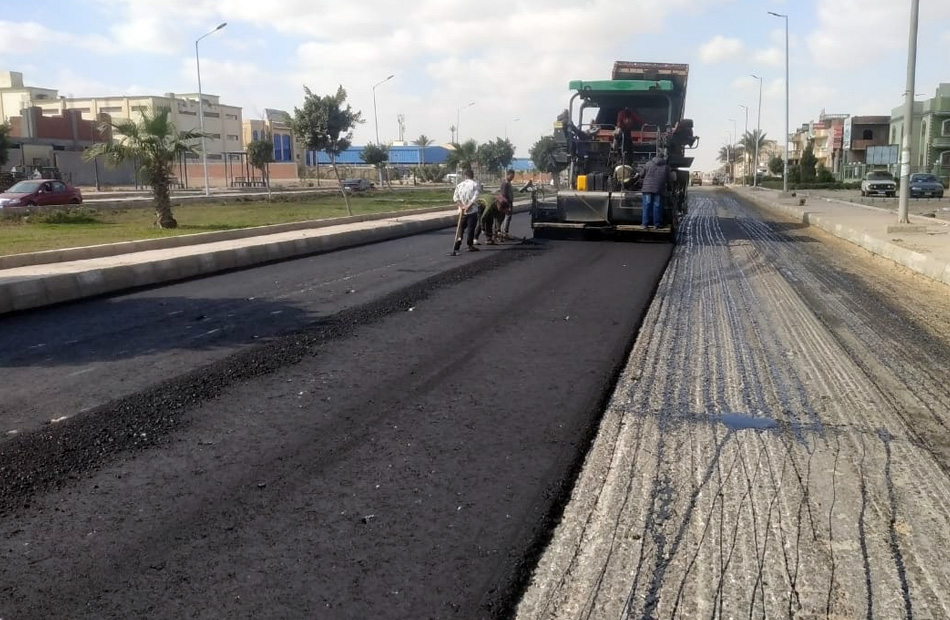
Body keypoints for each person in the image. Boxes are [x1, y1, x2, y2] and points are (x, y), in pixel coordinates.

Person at [450, 168, 480, 255]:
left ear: (465, 176)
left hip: (461, 211)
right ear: (472, 176)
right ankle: (470, 245)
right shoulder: (475, 184)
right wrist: (468, 206)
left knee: (461, 227)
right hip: (472, 210)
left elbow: (455, 197)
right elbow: (475, 197)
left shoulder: (460, 185)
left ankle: (458, 241)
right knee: (471, 228)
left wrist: (462, 206)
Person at [640, 153, 670, 229]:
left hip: (647, 188)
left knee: (647, 205)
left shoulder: (648, 163)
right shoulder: (666, 167)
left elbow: (641, 175)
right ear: (663, 158)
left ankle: (645, 224)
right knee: (657, 206)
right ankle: (657, 224)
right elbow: (668, 179)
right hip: (659, 189)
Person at [498, 169, 515, 239]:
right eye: (512, 176)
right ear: (508, 175)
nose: (513, 177)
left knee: (507, 218)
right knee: (507, 217)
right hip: (506, 203)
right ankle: (504, 233)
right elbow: (504, 195)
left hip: (507, 202)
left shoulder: (508, 182)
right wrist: (508, 205)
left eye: (513, 176)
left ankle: (503, 232)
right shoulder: (505, 183)